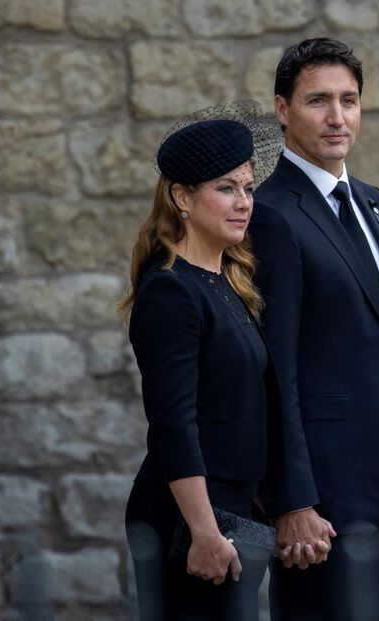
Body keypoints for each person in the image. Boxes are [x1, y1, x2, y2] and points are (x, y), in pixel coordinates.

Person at [249, 38, 379, 621]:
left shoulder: (374, 204)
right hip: (321, 503)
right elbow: (276, 370)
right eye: (317, 100)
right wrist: (292, 500)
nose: (336, 117)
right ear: (282, 110)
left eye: (349, 100)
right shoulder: (271, 213)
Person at [121, 105, 284, 621]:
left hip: (233, 513)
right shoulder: (171, 288)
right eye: (225, 189)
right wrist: (204, 531)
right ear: (182, 197)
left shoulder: (230, 284)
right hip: (190, 520)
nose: (243, 203)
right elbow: (174, 423)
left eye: (248, 188)